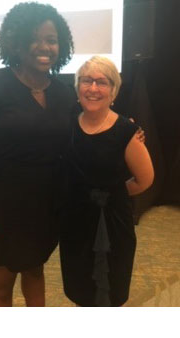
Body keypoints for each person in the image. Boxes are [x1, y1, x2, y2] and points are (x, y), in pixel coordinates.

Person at [0, 2, 76, 306]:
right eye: (34, 38)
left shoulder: (63, 93)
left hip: (46, 206)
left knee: (35, 271)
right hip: (2, 205)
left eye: (51, 40)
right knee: (1, 282)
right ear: (16, 42)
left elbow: (79, 139)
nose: (44, 47)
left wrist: (125, 131)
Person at [59, 56, 153, 306]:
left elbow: (144, 180)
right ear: (77, 87)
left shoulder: (126, 131)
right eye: (86, 81)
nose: (93, 88)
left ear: (114, 91)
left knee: (109, 291)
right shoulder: (68, 124)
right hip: (74, 223)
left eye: (102, 82)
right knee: (80, 287)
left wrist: (110, 194)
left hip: (112, 225)